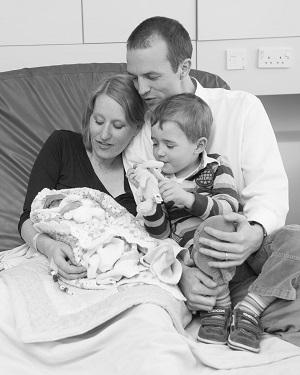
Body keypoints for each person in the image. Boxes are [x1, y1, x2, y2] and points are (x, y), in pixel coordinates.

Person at [123, 15, 300, 349]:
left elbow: (270, 191)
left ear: (184, 66)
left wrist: (255, 233)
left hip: (256, 251)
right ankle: (236, 312)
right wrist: (181, 275)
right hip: (201, 263)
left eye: (151, 76)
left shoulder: (242, 108)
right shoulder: (140, 143)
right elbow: (149, 229)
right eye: (134, 77)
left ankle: (250, 310)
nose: (141, 89)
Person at [18, 73, 146, 279]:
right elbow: (28, 217)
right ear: (89, 117)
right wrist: (50, 248)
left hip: (115, 274)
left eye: (118, 126)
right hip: (52, 262)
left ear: (136, 129)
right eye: (99, 121)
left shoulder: (140, 174)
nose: (104, 135)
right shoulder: (62, 145)